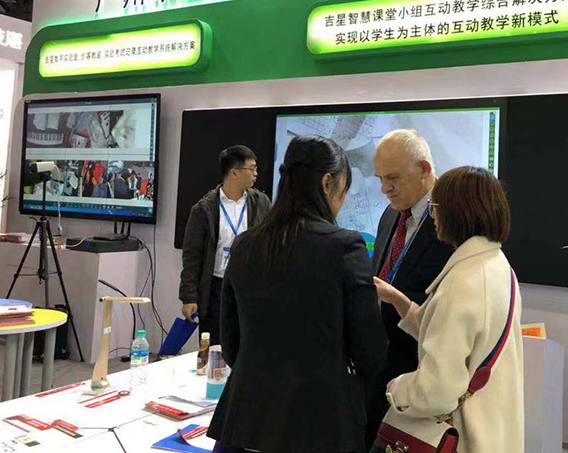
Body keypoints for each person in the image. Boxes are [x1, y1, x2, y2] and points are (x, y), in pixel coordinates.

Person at [208, 134, 387, 453]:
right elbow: (369, 353)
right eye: (344, 189)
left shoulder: (245, 245)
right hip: (317, 426)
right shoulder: (346, 247)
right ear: (328, 182)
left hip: (245, 422)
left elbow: (232, 346)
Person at [370, 166, 524, 453]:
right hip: (492, 425)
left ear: (457, 213)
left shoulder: (462, 281)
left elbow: (436, 391)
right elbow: (460, 337)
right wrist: (399, 300)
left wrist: (397, 388)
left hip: (464, 434)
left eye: (435, 207)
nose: (432, 216)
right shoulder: (497, 266)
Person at [366, 129, 455, 446]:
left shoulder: (453, 221)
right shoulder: (390, 215)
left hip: (420, 373)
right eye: (380, 179)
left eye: (393, 178)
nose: (384, 189)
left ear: (424, 169)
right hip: (376, 369)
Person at [178, 145, 271, 345]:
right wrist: (189, 297)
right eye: (252, 168)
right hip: (216, 289)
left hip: (249, 287)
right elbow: (192, 256)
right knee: (214, 346)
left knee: (248, 345)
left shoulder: (261, 203)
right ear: (234, 173)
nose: (256, 174)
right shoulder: (204, 209)